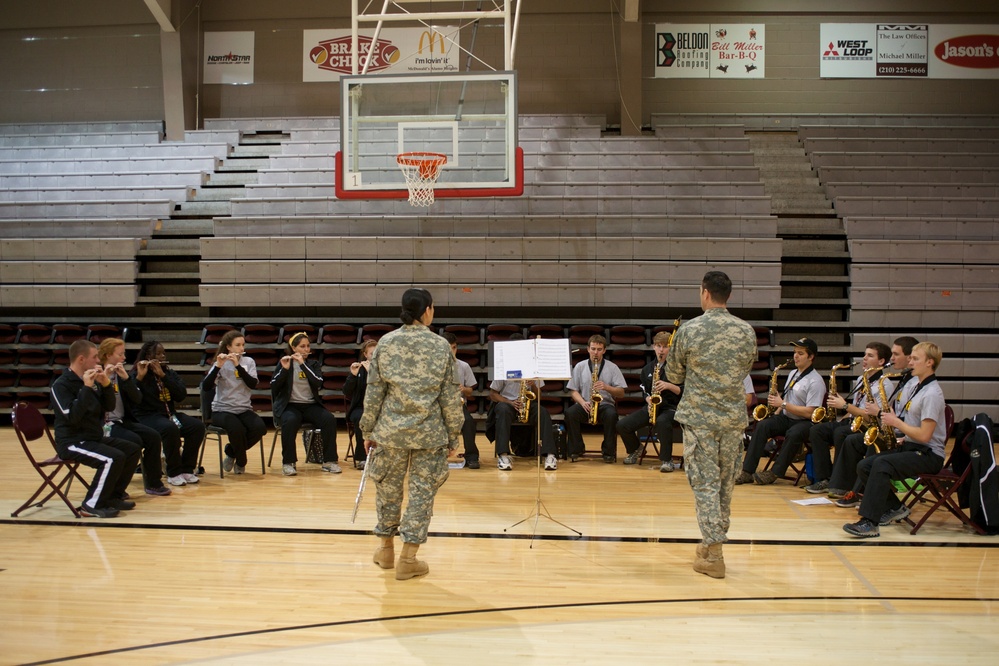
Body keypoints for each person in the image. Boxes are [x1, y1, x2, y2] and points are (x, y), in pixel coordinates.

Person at [361, 288, 464, 580]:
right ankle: (408, 558)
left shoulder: (386, 343)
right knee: (421, 494)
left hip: (390, 432)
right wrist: (454, 436)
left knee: (387, 490)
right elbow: (449, 396)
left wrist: (368, 429)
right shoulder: (441, 345)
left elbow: (374, 392)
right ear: (427, 310)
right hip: (428, 434)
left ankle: (385, 550)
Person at [666, 271, 757, 578]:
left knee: (705, 485)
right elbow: (745, 368)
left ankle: (714, 553)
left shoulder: (689, 330)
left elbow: (674, 376)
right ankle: (709, 544)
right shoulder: (745, 331)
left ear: (704, 292)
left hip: (700, 418)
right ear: (727, 295)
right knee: (725, 484)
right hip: (732, 418)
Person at [843, 342, 947, 538]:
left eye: (916, 358)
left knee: (882, 463)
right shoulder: (916, 386)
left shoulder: (932, 394)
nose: (910, 361)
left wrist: (897, 423)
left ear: (929, 363)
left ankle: (869, 522)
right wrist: (901, 433)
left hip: (929, 454)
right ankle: (895, 507)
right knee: (865, 465)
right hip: (912, 446)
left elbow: (925, 435)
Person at [50, 340, 142, 517]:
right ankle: (90, 505)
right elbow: (73, 417)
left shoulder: (92, 380)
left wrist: (106, 384)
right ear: (81, 359)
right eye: (95, 358)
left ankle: (113, 496)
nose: (98, 362)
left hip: (92, 437)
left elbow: (108, 406)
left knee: (132, 449)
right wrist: (86, 387)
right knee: (111, 458)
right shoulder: (61, 385)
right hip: (72, 441)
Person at [828, 336, 918, 503]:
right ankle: (841, 485)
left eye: (896, 354)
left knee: (870, 443)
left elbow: (912, 422)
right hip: (894, 430)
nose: (892, 359)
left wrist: (877, 413)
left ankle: (859, 493)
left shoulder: (910, 385)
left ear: (910, 358)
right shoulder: (905, 381)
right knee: (851, 440)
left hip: (904, 438)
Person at [803, 341, 892, 494]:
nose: (864, 358)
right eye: (864, 354)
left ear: (881, 361)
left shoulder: (885, 385)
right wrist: (840, 417)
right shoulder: (861, 379)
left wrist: (844, 406)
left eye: (870, 356)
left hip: (869, 428)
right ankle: (824, 478)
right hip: (852, 421)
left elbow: (873, 417)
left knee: (841, 433)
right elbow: (856, 406)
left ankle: (840, 482)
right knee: (818, 430)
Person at [738, 337, 824, 485]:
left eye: (801, 353)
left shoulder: (815, 381)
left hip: (806, 422)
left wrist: (782, 404)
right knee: (764, 425)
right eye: (795, 352)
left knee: (794, 433)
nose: (795, 356)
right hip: (787, 417)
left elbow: (810, 412)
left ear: (811, 357)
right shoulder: (793, 374)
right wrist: (774, 415)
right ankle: (747, 471)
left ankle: (775, 472)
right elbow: (785, 400)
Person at [96, 338, 170, 496]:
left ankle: (154, 483)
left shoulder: (121, 374)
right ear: (108, 355)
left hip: (123, 421)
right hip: (104, 424)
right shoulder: (96, 375)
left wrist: (127, 379)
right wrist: (105, 379)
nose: (124, 358)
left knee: (153, 436)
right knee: (133, 442)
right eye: (120, 354)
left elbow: (137, 398)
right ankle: (117, 487)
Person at [130, 341, 206, 487]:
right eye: (158, 354)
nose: (162, 356)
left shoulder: (169, 373)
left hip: (169, 414)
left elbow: (180, 395)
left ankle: (187, 469)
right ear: (148, 356)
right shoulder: (137, 374)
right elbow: (132, 397)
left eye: (163, 353)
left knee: (197, 427)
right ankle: (173, 472)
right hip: (146, 416)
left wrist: (163, 376)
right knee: (169, 428)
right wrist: (139, 378)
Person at [271, 331, 339, 476]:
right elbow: (274, 386)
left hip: (310, 405)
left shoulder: (313, 364)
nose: (306, 349)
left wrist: (302, 365)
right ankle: (288, 463)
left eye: (308, 346)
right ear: (294, 348)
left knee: (329, 419)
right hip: (290, 405)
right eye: (302, 346)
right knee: (290, 421)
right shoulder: (285, 363)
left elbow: (318, 382)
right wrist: (284, 370)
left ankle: (329, 461)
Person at [487, 334, 559, 472]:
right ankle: (503, 454)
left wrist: (533, 385)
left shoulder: (533, 366)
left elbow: (539, 397)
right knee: (502, 410)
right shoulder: (503, 366)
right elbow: (492, 393)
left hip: (527, 402)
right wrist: (510, 402)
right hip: (507, 403)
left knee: (542, 412)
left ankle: (550, 455)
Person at [201, 330, 267, 475]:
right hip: (221, 410)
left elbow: (252, 384)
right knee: (237, 429)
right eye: (238, 345)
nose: (242, 348)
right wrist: (218, 366)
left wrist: (238, 366)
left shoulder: (248, 362)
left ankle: (231, 452)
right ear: (228, 347)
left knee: (260, 428)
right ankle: (242, 462)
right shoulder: (220, 363)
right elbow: (206, 387)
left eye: (243, 345)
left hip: (243, 409)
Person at [617, 331, 682, 471]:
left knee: (663, 422)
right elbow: (644, 390)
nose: (661, 350)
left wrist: (669, 386)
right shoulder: (647, 369)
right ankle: (636, 449)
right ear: (653, 347)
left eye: (665, 346)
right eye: (658, 346)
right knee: (623, 425)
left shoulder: (678, 368)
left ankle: (666, 460)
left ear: (670, 348)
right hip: (652, 407)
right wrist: (647, 398)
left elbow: (684, 391)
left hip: (671, 408)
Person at [564, 334, 627, 463]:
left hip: (605, 405)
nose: (595, 353)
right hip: (585, 404)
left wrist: (607, 387)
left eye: (599, 349)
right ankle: (577, 449)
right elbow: (573, 391)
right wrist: (582, 402)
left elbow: (621, 393)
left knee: (611, 415)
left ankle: (608, 452)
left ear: (604, 350)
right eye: (593, 349)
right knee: (570, 413)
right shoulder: (580, 366)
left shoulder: (612, 367)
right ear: (588, 349)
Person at [441, 332, 481, 469]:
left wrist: (463, 389)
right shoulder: (434, 366)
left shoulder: (463, 366)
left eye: (454, 347)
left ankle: (472, 456)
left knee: (469, 422)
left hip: (458, 404)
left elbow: (471, 391)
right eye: (449, 348)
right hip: (438, 405)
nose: (452, 351)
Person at [344, 339, 377, 469]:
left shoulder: (386, 368)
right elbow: (346, 391)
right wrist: (352, 375)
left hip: (380, 408)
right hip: (360, 407)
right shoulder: (360, 369)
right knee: (361, 418)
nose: (374, 357)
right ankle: (362, 458)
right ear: (365, 355)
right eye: (371, 354)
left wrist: (372, 373)